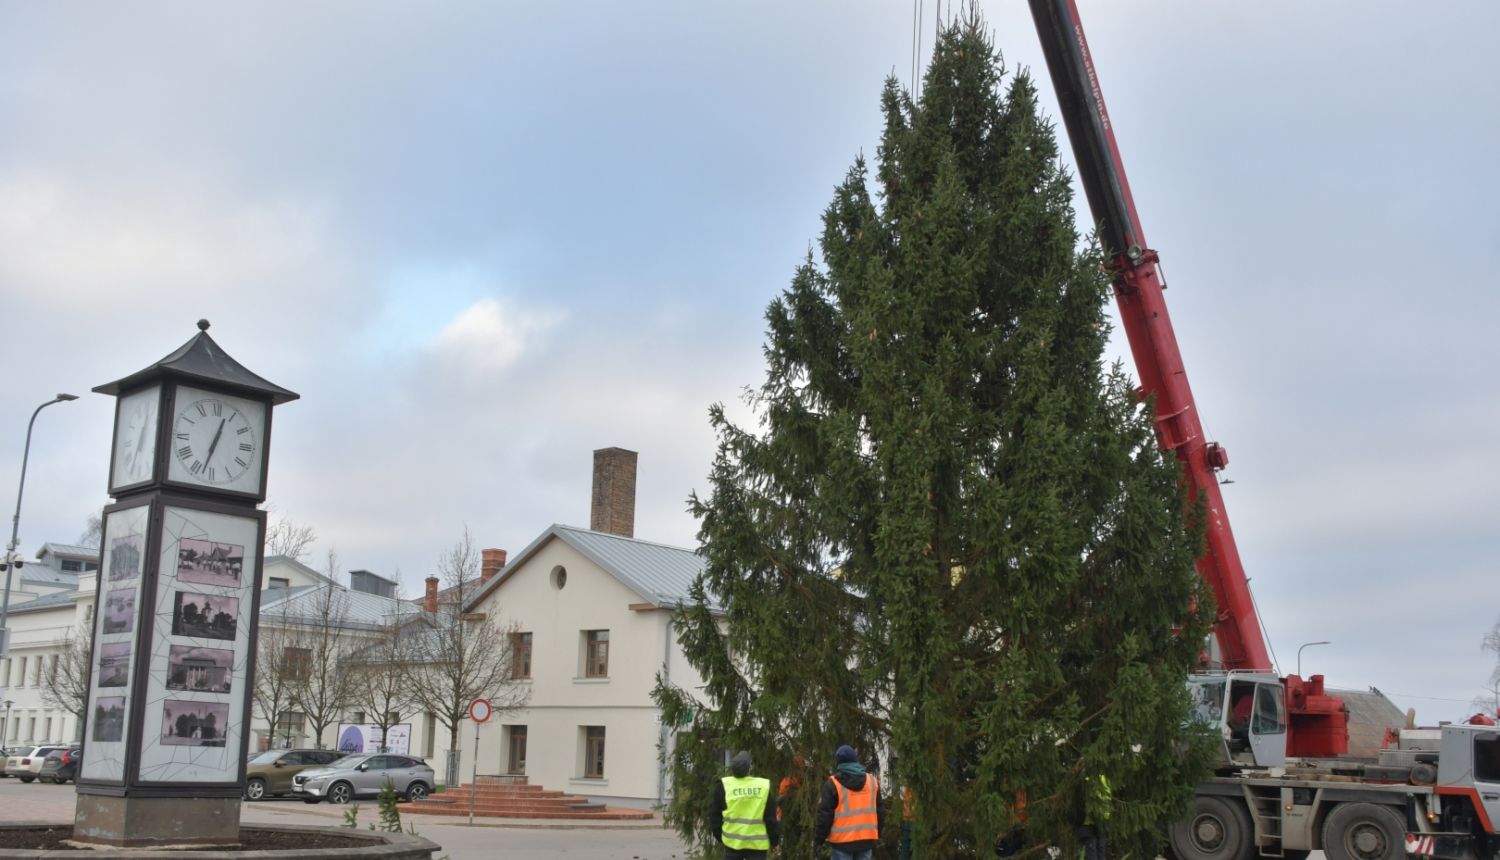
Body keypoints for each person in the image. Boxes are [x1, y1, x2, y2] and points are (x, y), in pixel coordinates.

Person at [815, 745, 884, 860]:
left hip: (842, 844)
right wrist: (880, 835)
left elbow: (824, 817)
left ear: (839, 763)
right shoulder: (872, 782)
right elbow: (880, 812)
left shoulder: (833, 784)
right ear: (855, 760)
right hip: (866, 842)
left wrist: (819, 841)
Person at [709, 750, 780, 860]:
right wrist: (774, 842)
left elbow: (715, 816)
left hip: (732, 846)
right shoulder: (762, 786)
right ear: (749, 769)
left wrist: (720, 838)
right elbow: (770, 818)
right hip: (757, 847)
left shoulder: (724, 786)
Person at [1074, 774, 1111, 860]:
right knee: (1101, 853)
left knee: (1092, 854)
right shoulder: (1105, 778)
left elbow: (1082, 804)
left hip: (1088, 823)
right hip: (1102, 821)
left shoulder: (1086, 779)